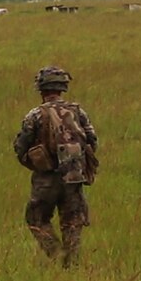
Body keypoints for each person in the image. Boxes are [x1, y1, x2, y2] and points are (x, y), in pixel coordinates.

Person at [13, 66, 98, 268]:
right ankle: (72, 266)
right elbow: (92, 141)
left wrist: (34, 162)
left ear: (41, 89)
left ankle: (56, 254)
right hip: (74, 177)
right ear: (62, 88)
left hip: (46, 179)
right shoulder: (78, 112)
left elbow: (20, 146)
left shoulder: (35, 115)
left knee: (36, 218)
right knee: (73, 224)